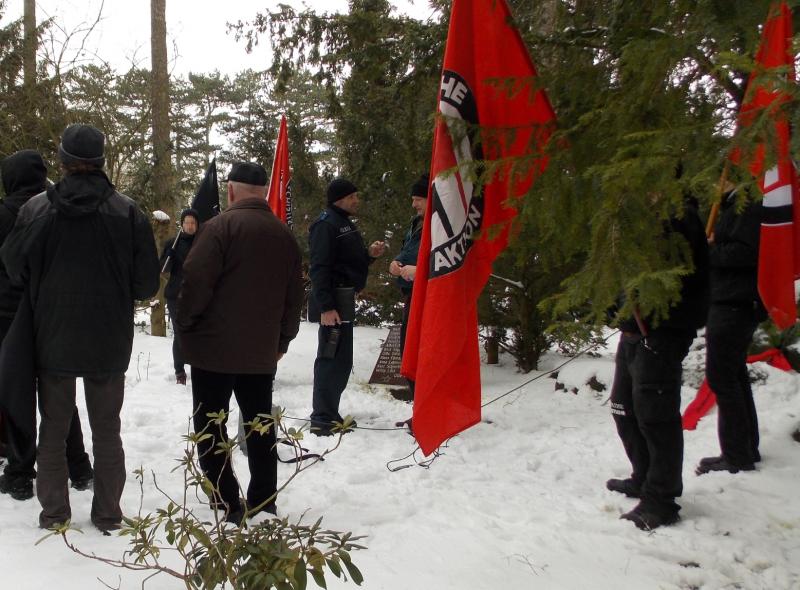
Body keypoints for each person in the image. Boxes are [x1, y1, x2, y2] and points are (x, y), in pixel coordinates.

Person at [0, 124, 160, 531]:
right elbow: (145, 285)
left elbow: (13, 267)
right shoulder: (128, 212)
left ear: (63, 161)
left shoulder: (36, 209)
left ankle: (55, 513)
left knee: (53, 427)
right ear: (102, 162)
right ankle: (107, 514)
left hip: (52, 335)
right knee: (108, 429)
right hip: (108, 339)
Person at [176, 162, 303, 523]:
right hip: (260, 352)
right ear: (263, 192)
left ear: (230, 190)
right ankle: (263, 501)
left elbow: (195, 283)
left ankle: (226, 497)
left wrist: (185, 325)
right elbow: (295, 297)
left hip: (212, 352)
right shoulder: (283, 235)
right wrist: (283, 340)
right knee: (259, 425)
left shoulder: (218, 229)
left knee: (211, 426)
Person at [607, 196, 708, 530]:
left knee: (656, 418)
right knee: (623, 407)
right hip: (634, 329)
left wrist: (647, 315)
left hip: (663, 331)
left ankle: (661, 499)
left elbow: (675, 281)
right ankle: (644, 476)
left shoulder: (681, 217)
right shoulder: (640, 216)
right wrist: (618, 308)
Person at [0, 150, 94, 502]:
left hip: (8, 318)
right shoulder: (55, 209)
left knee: (15, 395)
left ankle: (21, 471)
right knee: (58, 394)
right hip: (51, 314)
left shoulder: (7, 213)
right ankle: (79, 466)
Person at [696, 181, 765, 475]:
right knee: (734, 375)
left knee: (722, 378)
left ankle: (736, 454)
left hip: (735, 301)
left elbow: (745, 253)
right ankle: (746, 447)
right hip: (729, 298)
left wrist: (706, 250)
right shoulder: (732, 206)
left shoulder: (747, 206)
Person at [308, 178, 386, 436]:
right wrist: (327, 307)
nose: (356, 200)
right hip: (334, 303)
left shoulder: (343, 222)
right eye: (353, 196)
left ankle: (330, 413)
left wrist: (369, 256)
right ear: (339, 198)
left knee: (341, 360)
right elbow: (319, 269)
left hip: (344, 299)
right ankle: (322, 419)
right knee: (331, 359)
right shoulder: (325, 225)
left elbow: (347, 262)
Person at [388, 173, 428, 399]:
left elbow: (446, 261)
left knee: (421, 354)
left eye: (418, 199)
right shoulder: (416, 223)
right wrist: (395, 263)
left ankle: (427, 411)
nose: (413, 204)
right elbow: (409, 250)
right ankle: (418, 407)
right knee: (409, 353)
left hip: (428, 297)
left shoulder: (439, 224)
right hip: (411, 294)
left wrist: (420, 271)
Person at [160, 208, 199, 385]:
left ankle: (199, 368)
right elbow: (163, 269)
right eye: (187, 222)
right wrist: (169, 257)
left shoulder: (203, 241)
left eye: (193, 223)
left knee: (198, 332)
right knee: (179, 333)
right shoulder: (173, 243)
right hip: (176, 295)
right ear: (182, 224)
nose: (190, 226)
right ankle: (179, 371)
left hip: (198, 294)